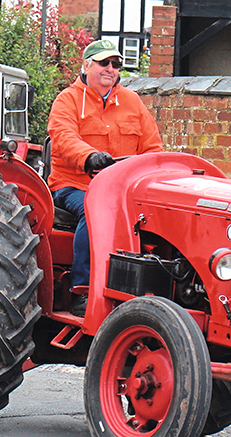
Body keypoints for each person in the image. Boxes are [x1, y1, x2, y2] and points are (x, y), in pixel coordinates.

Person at [47, 39, 163, 317]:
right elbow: (63, 138)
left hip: (122, 190)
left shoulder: (132, 101)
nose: (110, 69)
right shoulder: (68, 100)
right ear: (86, 65)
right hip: (74, 185)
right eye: (103, 63)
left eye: (115, 64)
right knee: (95, 210)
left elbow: (152, 147)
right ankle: (82, 289)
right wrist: (89, 157)